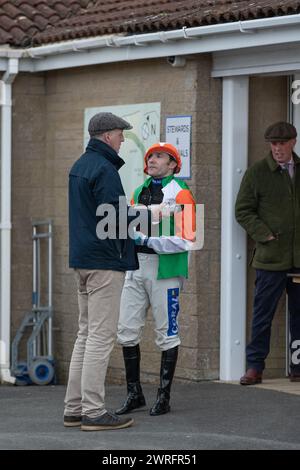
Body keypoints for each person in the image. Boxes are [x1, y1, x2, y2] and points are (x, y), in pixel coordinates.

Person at [64, 112, 139, 431]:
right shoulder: (106, 169)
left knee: (85, 334)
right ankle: (93, 412)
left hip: (83, 259)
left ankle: (74, 408)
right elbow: (116, 219)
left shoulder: (80, 165)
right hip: (105, 262)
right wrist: (152, 216)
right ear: (107, 135)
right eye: (121, 134)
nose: (123, 139)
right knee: (100, 337)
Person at [116, 142, 196, 416]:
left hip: (165, 270)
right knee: (126, 331)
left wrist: (150, 239)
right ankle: (134, 394)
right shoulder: (139, 191)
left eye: (160, 156)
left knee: (167, 334)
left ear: (174, 164)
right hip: (135, 267)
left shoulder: (182, 193)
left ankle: (164, 397)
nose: (152, 160)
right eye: (150, 156)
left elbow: (187, 240)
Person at [235, 121, 300, 385]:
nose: (277, 148)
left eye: (282, 143)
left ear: (293, 142)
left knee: (299, 314)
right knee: (263, 314)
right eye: (273, 144)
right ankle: (255, 367)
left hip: (298, 259)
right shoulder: (257, 173)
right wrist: (265, 234)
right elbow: (243, 211)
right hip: (270, 258)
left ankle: (297, 366)